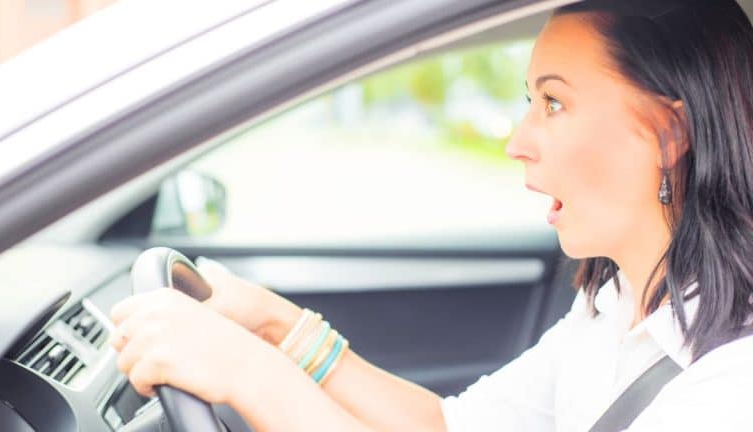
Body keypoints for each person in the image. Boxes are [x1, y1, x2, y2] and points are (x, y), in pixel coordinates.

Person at [108, 0, 753, 430]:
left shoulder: (731, 384)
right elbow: (451, 426)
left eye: (553, 104)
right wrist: (278, 326)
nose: (516, 141)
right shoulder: (613, 306)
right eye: (531, 100)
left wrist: (245, 372)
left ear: (668, 135)